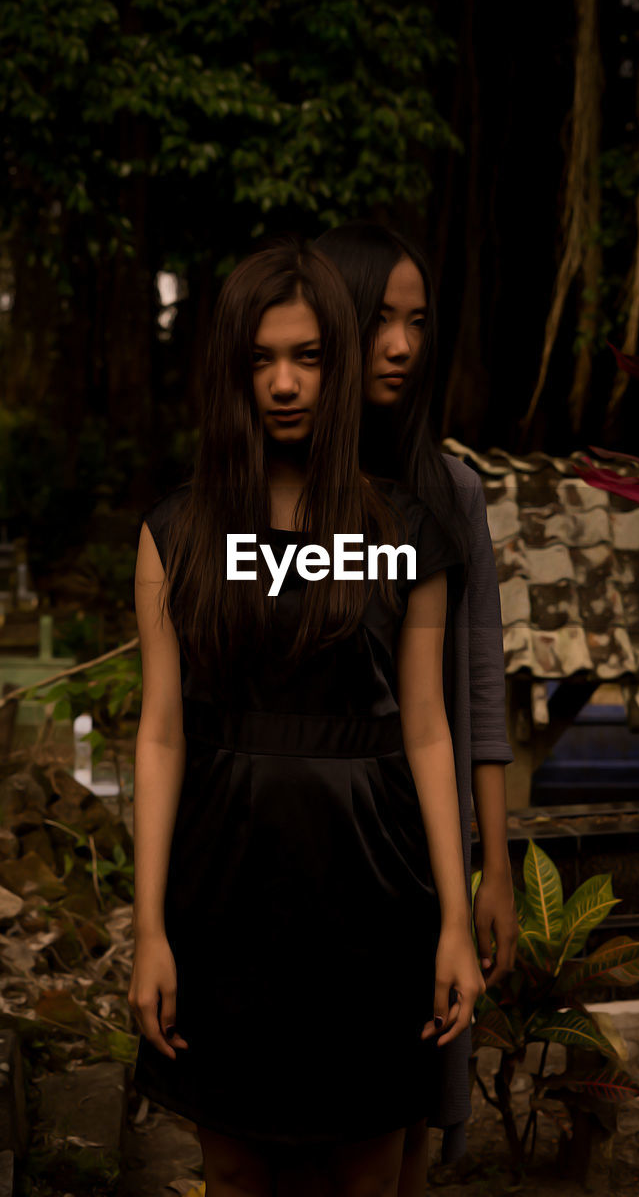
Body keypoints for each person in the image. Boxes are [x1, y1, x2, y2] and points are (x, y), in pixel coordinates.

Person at [128, 239, 485, 1196]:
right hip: (223, 891)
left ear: (337, 362)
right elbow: (160, 735)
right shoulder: (177, 533)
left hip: (374, 893)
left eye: (309, 356)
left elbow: (426, 731)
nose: (284, 384)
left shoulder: (408, 530)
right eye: (260, 359)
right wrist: (149, 928)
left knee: (366, 1164)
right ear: (230, 373)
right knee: (236, 1166)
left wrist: (454, 918)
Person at [315, 221, 518, 1195]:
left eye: (417, 322)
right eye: (379, 320)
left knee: (407, 1129)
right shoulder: (277, 497)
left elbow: (475, 689)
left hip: (421, 848)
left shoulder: (451, 491)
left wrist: (493, 865)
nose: (402, 344)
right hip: (305, 851)